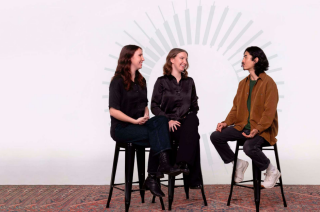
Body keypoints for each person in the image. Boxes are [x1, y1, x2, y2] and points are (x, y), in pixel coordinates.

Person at [109, 45, 181, 197]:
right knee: (157, 135)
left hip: (140, 124)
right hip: (122, 128)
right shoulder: (117, 81)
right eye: (140, 55)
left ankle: (155, 175)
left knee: (161, 120)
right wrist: (134, 121)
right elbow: (113, 111)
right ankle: (156, 173)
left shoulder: (141, 80)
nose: (143, 58)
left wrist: (146, 115)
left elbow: (144, 105)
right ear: (129, 58)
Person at [210, 46, 280, 188]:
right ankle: (238, 164)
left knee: (249, 147)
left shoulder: (269, 83)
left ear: (256, 60)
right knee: (216, 136)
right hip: (243, 127)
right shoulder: (243, 84)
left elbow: (269, 112)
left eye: (245, 57)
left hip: (262, 130)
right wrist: (225, 123)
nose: (242, 60)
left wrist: (257, 129)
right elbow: (236, 108)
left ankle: (271, 170)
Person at [151, 48, 203, 189]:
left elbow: (194, 106)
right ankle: (192, 177)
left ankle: (182, 163)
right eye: (181, 58)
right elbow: (154, 106)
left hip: (186, 123)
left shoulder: (189, 82)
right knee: (194, 137)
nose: (185, 62)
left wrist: (188, 117)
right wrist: (167, 120)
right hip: (169, 125)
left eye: (186, 59)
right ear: (172, 60)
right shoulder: (161, 81)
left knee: (193, 120)